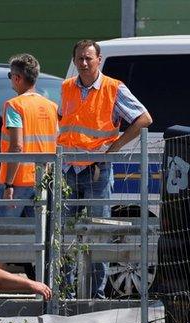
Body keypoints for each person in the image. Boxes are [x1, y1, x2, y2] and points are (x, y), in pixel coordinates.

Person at [58, 39, 152, 299]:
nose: (84, 63)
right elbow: (63, 123)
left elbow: (144, 118)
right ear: (75, 61)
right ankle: (66, 294)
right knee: (65, 233)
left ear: (99, 60)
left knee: (99, 233)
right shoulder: (67, 87)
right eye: (80, 59)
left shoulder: (113, 88)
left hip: (97, 170)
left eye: (89, 58)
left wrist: (113, 149)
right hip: (68, 170)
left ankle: (95, 296)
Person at [0, 53, 58, 219]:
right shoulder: (51, 107)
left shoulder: (14, 106)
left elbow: (17, 146)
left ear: (17, 78)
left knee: (1, 234)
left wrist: (8, 184)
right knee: (36, 237)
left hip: (18, 181)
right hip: (43, 181)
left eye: (10, 75)